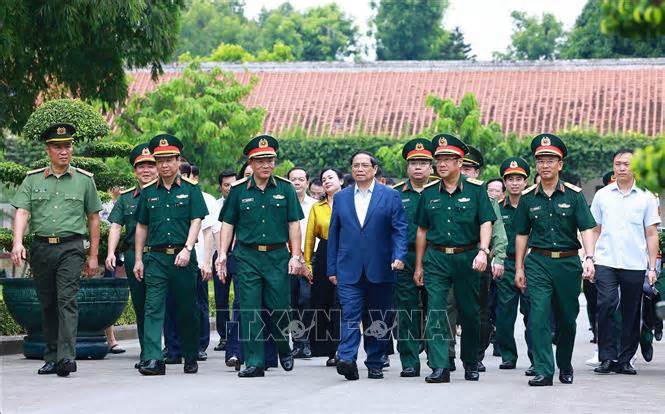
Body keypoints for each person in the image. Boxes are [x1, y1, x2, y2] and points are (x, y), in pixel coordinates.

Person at [11, 123, 102, 377]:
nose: (64, 151)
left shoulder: (85, 180)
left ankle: (66, 358)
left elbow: (94, 218)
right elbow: (22, 212)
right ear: (48, 149)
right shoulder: (32, 179)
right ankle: (51, 356)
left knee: (66, 300)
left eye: (68, 146)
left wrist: (93, 255)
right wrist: (18, 241)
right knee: (48, 303)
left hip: (71, 247)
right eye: (58, 147)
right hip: (41, 248)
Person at [216, 134, 306, 378]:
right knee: (249, 310)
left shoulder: (285, 189)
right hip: (246, 257)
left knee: (280, 309)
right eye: (261, 160)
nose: (267, 165)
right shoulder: (237, 191)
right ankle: (254, 362)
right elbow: (227, 224)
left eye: (271, 160)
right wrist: (222, 254)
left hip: (277, 256)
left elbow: (294, 225)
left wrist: (295, 256)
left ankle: (283, 347)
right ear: (251, 163)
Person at [513, 133, 597, 387]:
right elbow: (521, 234)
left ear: (560, 164)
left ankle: (564, 363)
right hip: (538, 262)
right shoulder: (528, 198)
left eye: (551, 160)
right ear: (536, 165)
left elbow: (587, 229)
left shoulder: (574, 195)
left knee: (566, 318)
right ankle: (544, 370)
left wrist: (590, 257)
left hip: (568, 263)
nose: (545, 165)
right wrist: (519, 267)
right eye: (541, 160)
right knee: (537, 316)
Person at [414, 134, 496, 384]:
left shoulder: (476, 191)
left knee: (470, 312)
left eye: (448, 159)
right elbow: (422, 231)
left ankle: (470, 361)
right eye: (438, 159)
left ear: (460, 163)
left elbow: (485, 221)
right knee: (436, 311)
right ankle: (440, 366)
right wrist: (418, 264)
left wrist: (483, 251)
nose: (441, 164)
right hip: (437, 257)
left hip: (468, 257)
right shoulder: (428, 193)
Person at [327, 150, 408, 381]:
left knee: (377, 317)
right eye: (355, 165)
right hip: (348, 268)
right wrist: (331, 268)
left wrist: (399, 255)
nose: (359, 169)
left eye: (364, 165)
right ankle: (347, 359)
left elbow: (400, 230)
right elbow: (334, 233)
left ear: (374, 169)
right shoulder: (341, 197)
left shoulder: (390, 195)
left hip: (381, 267)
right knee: (350, 314)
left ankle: (375, 361)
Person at [133, 134, 208, 376]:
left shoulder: (190, 190)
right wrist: (137, 259)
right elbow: (141, 226)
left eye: (169, 160)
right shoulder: (147, 193)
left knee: (187, 308)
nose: (164, 165)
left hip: (182, 257)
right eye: (160, 161)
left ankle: (189, 353)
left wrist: (187, 248)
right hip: (155, 258)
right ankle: (154, 359)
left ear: (178, 161)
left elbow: (196, 220)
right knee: (153, 307)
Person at [590, 149, 661, 375]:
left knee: (631, 312)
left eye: (626, 164)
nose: (621, 168)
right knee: (607, 305)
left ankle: (625, 359)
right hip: (606, 260)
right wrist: (589, 258)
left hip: (634, 262)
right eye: (618, 163)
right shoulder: (602, 195)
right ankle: (607, 357)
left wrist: (652, 267)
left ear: (634, 168)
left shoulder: (646, 197)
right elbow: (594, 229)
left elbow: (651, 233)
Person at [105, 143, 158, 369]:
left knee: (159, 305)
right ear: (135, 171)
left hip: (160, 256)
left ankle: (175, 349)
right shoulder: (126, 198)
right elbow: (116, 226)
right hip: (133, 257)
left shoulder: (165, 193)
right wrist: (110, 252)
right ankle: (149, 352)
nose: (146, 170)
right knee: (141, 305)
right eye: (141, 166)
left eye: (150, 165)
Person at [163, 162, 219, 363]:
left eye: (189, 175)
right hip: (171, 258)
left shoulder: (203, 198)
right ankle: (173, 347)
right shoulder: (163, 193)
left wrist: (207, 261)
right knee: (170, 303)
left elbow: (209, 231)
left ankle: (199, 345)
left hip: (195, 256)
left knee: (198, 303)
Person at [390, 138, 437, 378]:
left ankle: (437, 358)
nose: (418, 167)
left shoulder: (440, 191)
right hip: (404, 257)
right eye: (413, 163)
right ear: (407, 167)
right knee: (407, 310)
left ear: (432, 166)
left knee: (436, 308)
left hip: (436, 256)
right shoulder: (395, 194)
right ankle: (409, 360)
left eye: (423, 163)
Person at [458, 145, 507, 372]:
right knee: (446, 308)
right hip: (448, 258)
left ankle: (475, 355)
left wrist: (497, 257)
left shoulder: (486, 198)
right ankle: (445, 355)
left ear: (477, 173)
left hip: (480, 259)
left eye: (469, 168)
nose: (464, 172)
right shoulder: (438, 192)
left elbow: (498, 231)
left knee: (480, 312)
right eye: (462, 167)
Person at [494, 157, 535, 375]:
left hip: (531, 265)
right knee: (505, 314)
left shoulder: (533, 205)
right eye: (510, 179)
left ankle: (535, 357)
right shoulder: (498, 208)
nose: (515, 183)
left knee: (532, 313)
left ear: (526, 181)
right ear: (504, 182)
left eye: (519, 179)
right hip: (506, 264)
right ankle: (508, 355)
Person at [304, 167, 344, 366]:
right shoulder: (317, 208)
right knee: (324, 302)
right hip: (325, 251)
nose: (326, 181)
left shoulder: (350, 202)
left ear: (341, 181)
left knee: (342, 302)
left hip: (347, 251)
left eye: (331, 177)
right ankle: (330, 349)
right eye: (323, 179)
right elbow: (310, 237)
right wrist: (307, 264)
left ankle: (342, 348)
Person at [288, 167, 318, 359]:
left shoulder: (315, 205)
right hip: (288, 257)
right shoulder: (283, 203)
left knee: (307, 300)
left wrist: (306, 260)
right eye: (293, 179)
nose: (297, 183)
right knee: (291, 302)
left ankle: (308, 340)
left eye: (301, 179)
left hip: (312, 258)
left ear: (307, 182)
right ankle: (297, 342)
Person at [212, 169, 237, 352]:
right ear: (221, 187)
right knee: (221, 299)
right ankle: (224, 336)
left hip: (239, 256)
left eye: (233, 184)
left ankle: (238, 335)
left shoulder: (241, 202)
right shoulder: (214, 205)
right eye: (226, 185)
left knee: (240, 298)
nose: (230, 188)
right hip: (219, 254)